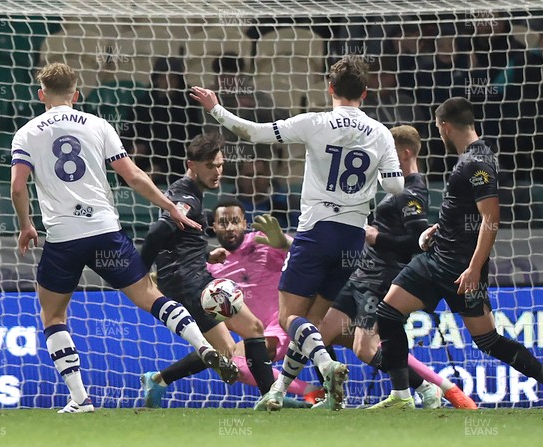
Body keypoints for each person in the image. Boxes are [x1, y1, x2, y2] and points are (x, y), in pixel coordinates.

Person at [10, 62, 234, 414]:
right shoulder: (98, 125)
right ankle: (201, 344)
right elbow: (133, 175)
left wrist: (26, 225)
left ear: (42, 95)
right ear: (77, 94)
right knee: (149, 295)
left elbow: (18, 186)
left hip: (63, 236)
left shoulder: (26, 133)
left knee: (53, 316)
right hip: (104, 230)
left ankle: (81, 399)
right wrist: (170, 207)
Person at [190, 55, 405, 411]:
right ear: (365, 93)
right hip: (353, 239)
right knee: (313, 323)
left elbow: (254, 132)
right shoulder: (381, 133)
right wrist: (376, 176)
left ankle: (326, 365)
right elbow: (396, 186)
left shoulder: (314, 122)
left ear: (330, 88)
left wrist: (216, 109)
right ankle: (278, 391)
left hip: (318, 231)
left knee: (291, 318)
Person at [370, 97, 543, 409]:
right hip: (435, 261)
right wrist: (438, 228)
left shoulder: (477, 162)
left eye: (439, 130)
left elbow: (491, 219)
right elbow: (467, 212)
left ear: (446, 127)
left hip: (461, 270)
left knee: (488, 342)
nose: (440, 135)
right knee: (387, 313)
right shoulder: (472, 158)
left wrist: (475, 269)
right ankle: (401, 396)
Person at [318, 125, 476, 409]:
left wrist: (376, 237)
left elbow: (418, 242)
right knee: (322, 332)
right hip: (361, 275)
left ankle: (424, 388)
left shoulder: (412, 190)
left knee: (364, 349)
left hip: (379, 279)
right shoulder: (396, 188)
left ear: (403, 153)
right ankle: (332, 398)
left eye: (386, 151)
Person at [142, 200, 324, 407]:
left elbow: (306, 255)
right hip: (253, 331)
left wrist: (283, 242)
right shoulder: (212, 267)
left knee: (301, 337)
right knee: (230, 361)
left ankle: (312, 392)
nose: (229, 227)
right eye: (223, 222)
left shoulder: (263, 241)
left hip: (283, 319)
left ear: (244, 223)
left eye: (235, 221)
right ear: (214, 227)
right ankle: (159, 378)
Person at [139, 133, 276, 403]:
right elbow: (157, 232)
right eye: (210, 166)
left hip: (191, 279)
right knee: (248, 333)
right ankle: (272, 397)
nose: (217, 172)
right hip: (189, 285)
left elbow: (178, 236)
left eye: (220, 165)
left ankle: (158, 379)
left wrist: (206, 253)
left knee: (232, 346)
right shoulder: (187, 196)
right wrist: (140, 272)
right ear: (192, 164)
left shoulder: (186, 193)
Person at [131, 57, 203, 185]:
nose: (167, 82)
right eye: (163, 78)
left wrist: (162, 168)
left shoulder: (188, 106)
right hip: (144, 164)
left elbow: (191, 143)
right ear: (156, 79)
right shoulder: (144, 103)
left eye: (172, 78)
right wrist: (134, 148)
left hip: (178, 167)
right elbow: (130, 133)